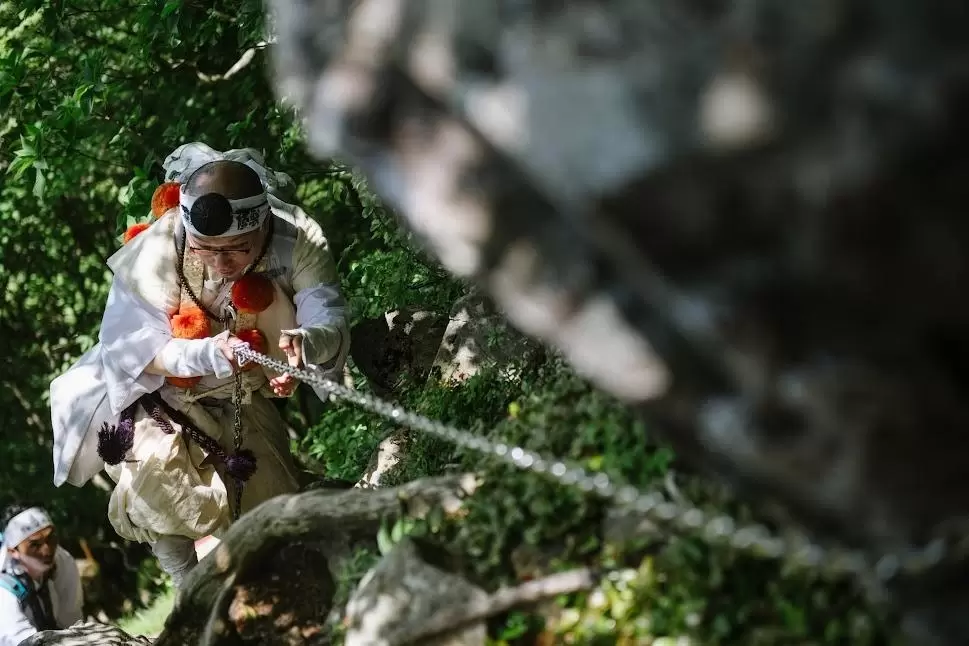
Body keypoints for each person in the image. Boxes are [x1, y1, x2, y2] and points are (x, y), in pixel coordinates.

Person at [49, 143, 350, 589]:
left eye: (236, 249)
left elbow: (327, 313)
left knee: (271, 500)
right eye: (206, 249)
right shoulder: (159, 247)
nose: (220, 262)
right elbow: (133, 347)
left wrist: (307, 343)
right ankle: (187, 593)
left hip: (241, 391)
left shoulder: (297, 239)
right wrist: (207, 353)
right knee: (161, 489)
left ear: (263, 222)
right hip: (158, 394)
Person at [0, 504, 83, 645]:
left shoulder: (62, 560)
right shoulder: (4, 590)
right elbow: (17, 639)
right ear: (13, 551)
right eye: (35, 545)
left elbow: (71, 617)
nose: (47, 549)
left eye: (50, 538)